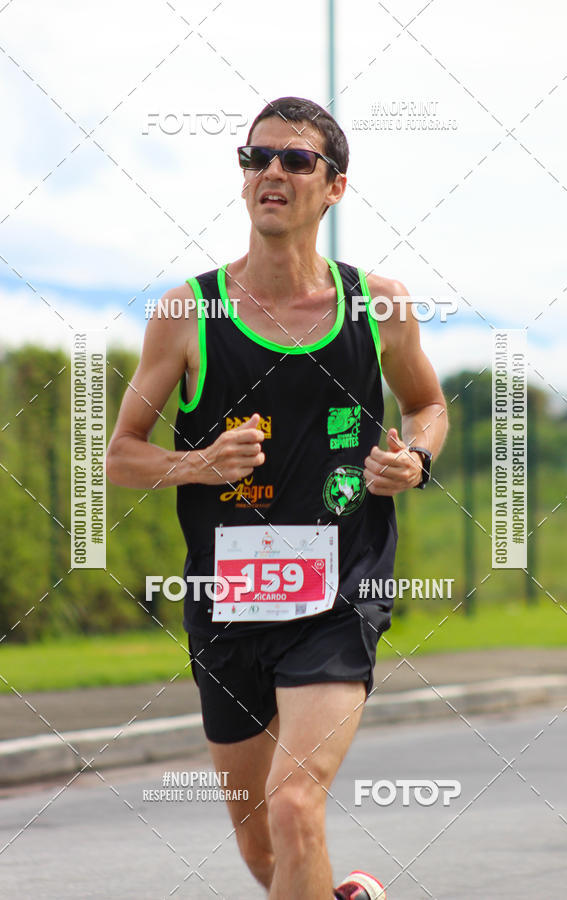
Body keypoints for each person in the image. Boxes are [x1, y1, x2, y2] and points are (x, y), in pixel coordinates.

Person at [106, 96, 448, 900]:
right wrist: (198, 465)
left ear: (335, 188)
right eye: (256, 157)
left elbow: (427, 408)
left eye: (296, 160)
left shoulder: (380, 306)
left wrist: (416, 461)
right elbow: (121, 457)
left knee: (297, 806)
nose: (271, 172)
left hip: (339, 592)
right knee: (264, 850)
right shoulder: (188, 312)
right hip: (229, 605)